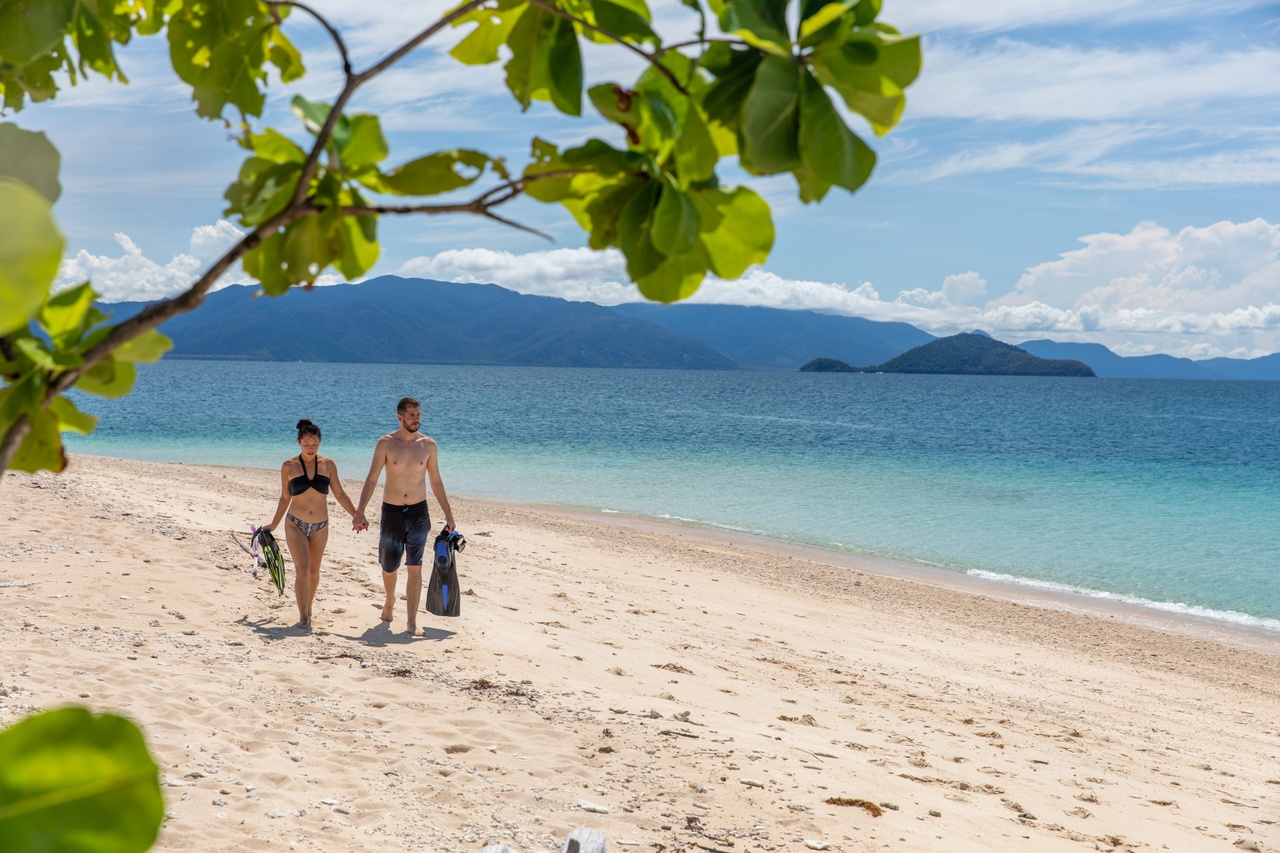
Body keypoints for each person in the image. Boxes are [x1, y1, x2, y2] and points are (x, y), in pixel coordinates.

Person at [353, 397, 456, 637]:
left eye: (418, 414)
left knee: (415, 566)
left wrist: (449, 515)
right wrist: (360, 511)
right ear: (399, 417)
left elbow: (436, 482)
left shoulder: (428, 445)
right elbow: (371, 478)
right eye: (411, 415)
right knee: (389, 566)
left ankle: (411, 620)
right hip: (392, 511)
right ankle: (390, 600)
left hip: (419, 512)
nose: (416, 419)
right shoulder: (386, 444)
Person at [264, 419, 359, 630]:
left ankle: (309, 608)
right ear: (299, 442)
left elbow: (340, 493)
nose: (311, 448)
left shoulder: (328, 465)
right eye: (306, 444)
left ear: (319, 443)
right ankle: (303, 616)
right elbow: (284, 497)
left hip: (320, 526)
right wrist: (273, 524)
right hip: (295, 523)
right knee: (303, 570)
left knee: (315, 572)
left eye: (315, 444)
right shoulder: (289, 466)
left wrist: (356, 514)